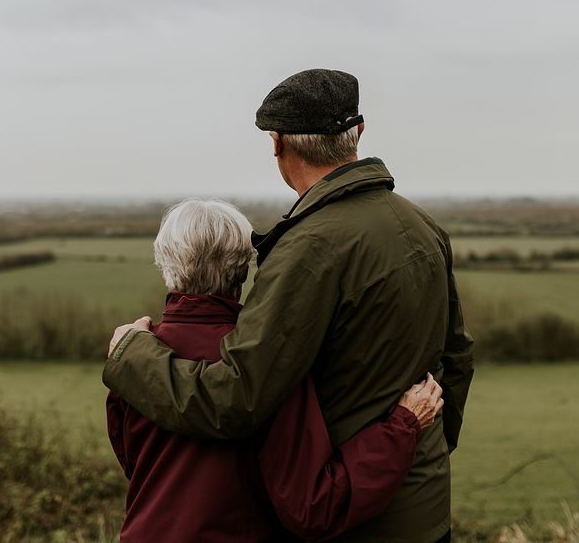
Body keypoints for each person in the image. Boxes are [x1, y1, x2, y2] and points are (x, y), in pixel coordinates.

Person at [105, 69, 474, 543]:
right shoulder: (423, 226)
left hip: (353, 521)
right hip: (419, 504)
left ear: (277, 144)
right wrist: (426, 451)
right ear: (357, 133)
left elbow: (239, 397)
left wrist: (131, 353)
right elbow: (457, 359)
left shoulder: (309, 247)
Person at [107, 198, 444, 542]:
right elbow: (313, 507)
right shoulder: (268, 361)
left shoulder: (133, 357)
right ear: (243, 268)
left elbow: (138, 468)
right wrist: (403, 426)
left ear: (164, 262)